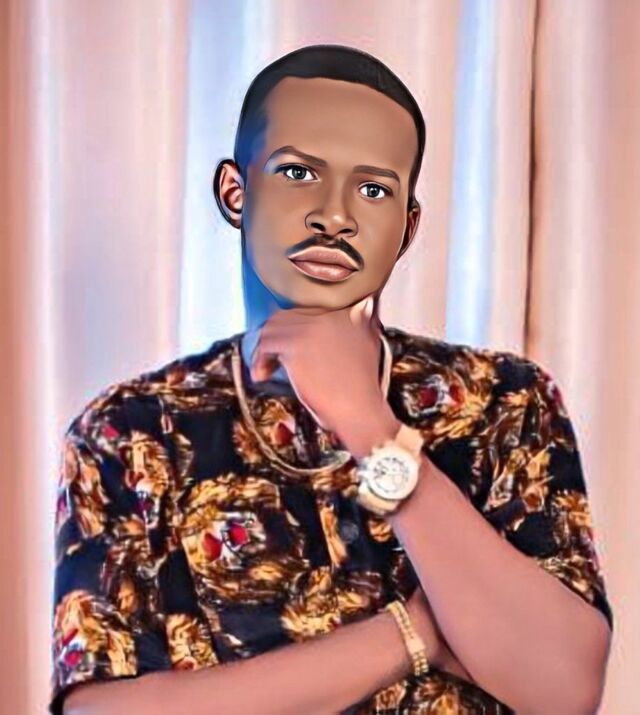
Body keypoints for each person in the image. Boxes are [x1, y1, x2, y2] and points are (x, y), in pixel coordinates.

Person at [49, 44, 613, 715]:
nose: (335, 215)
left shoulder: (503, 400)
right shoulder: (132, 429)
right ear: (235, 191)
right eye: (298, 173)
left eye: (373, 189)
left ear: (407, 227)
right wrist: (413, 634)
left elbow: (564, 689)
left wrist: (371, 426)